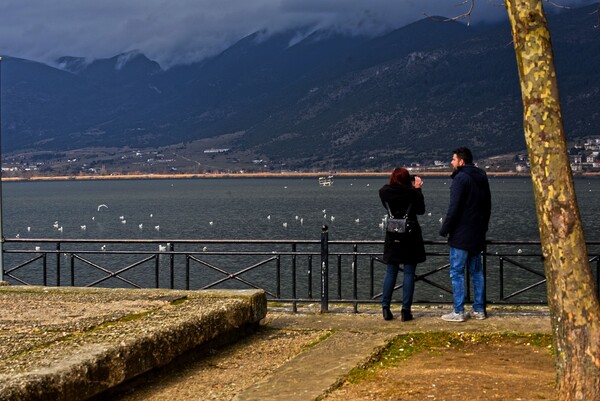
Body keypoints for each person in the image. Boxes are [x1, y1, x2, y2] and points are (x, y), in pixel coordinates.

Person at [439, 147, 491, 322]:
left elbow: (454, 208)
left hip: (461, 234)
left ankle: (459, 311)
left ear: (461, 161)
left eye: (453, 159)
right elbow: (488, 205)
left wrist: (445, 229)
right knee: (477, 272)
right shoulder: (481, 176)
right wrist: (483, 227)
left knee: (457, 272)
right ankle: (479, 310)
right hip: (477, 233)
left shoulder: (461, 179)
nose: (451, 162)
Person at [379, 167, 426, 321]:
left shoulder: (385, 192)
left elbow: (386, 191)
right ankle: (405, 310)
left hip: (393, 236)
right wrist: (417, 189)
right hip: (410, 237)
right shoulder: (412, 193)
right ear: (408, 180)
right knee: (408, 273)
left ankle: (385, 308)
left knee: (391, 272)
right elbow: (421, 210)